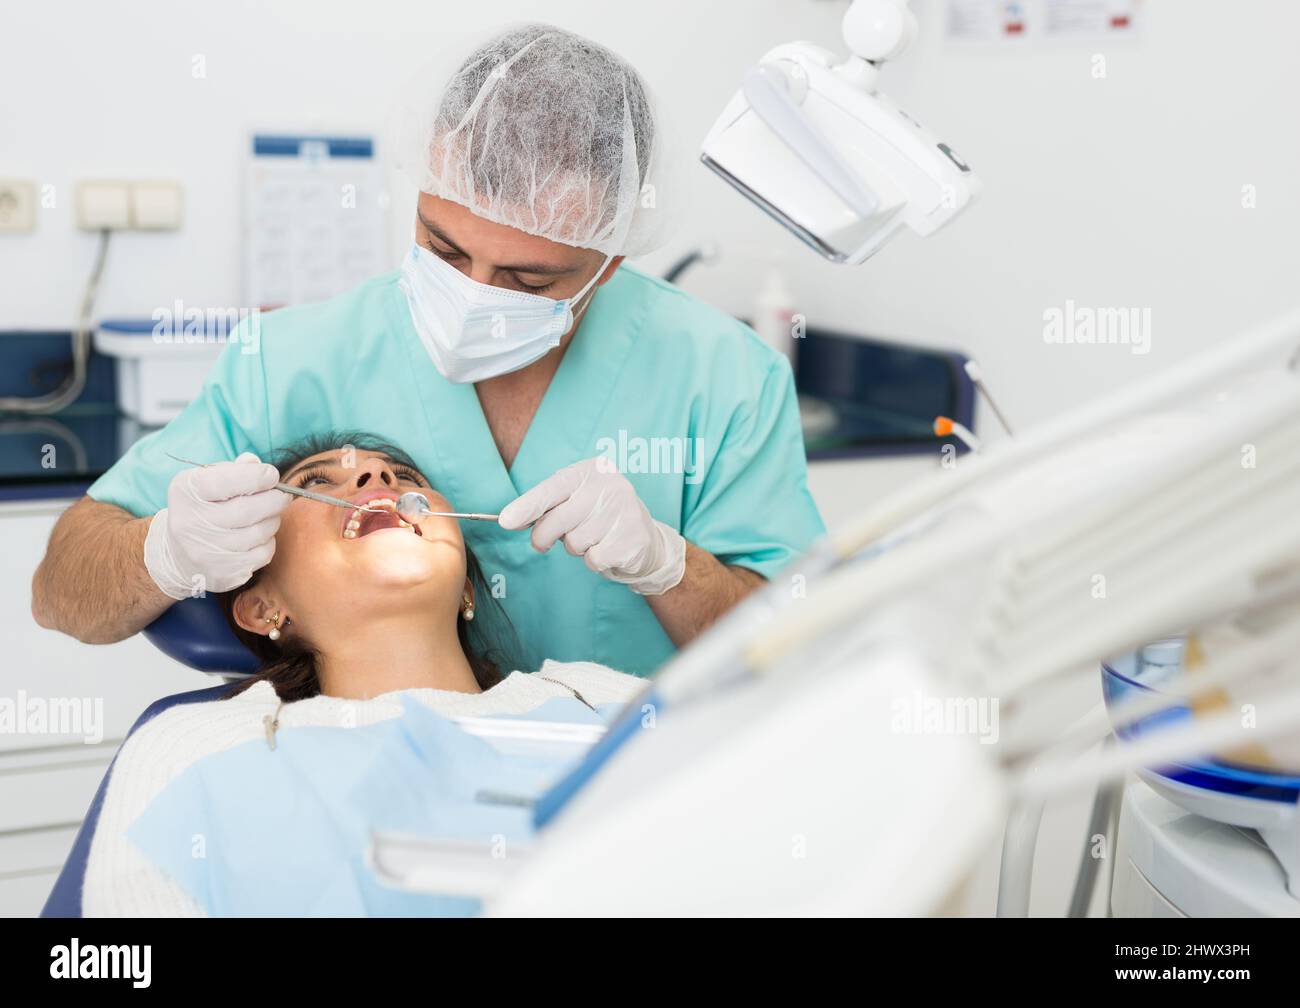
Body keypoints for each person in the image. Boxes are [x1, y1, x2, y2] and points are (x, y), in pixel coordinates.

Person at [32, 23, 824, 676]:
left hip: (631, 802)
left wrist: (669, 566)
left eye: (526, 278)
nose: (476, 291)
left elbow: (798, 653)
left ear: (610, 260)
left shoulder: (724, 378)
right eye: (444, 249)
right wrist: (164, 552)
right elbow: (60, 591)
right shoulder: (293, 360)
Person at [82, 434, 646, 916]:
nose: (378, 475)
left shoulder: (602, 702)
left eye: (403, 475)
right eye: (318, 481)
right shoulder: (191, 746)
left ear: (467, 589)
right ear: (263, 607)